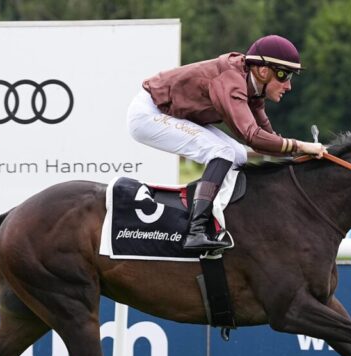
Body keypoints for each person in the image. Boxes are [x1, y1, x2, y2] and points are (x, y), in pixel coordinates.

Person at [127, 35, 326, 253]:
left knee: (238, 154)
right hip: (149, 113)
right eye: (284, 74)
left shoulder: (254, 90)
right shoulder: (231, 80)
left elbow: (265, 142)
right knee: (221, 152)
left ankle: (216, 218)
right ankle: (195, 230)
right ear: (263, 71)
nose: (288, 85)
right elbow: (252, 135)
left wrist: (304, 157)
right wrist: (301, 145)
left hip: (172, 113)